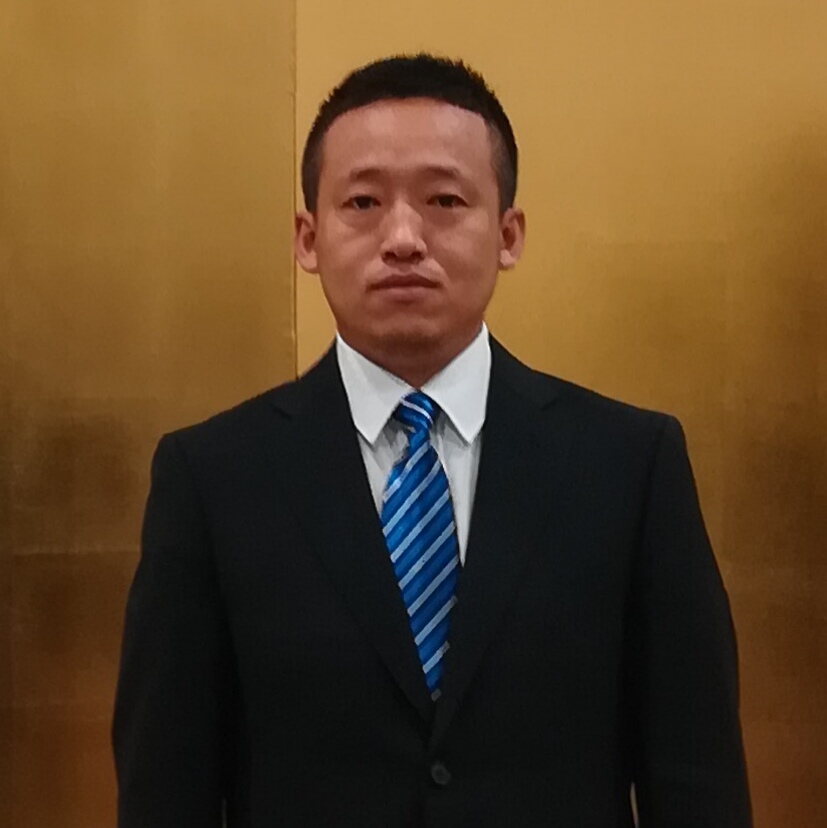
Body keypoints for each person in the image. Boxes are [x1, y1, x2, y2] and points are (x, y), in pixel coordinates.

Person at [112, 54, 752, 827]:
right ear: (307, 238)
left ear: (508, 233)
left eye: (444, 200)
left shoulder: (628, 465)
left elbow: (696, 776)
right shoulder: (214, 478)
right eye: (363, 202)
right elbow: (165, 784)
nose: (403, 238)